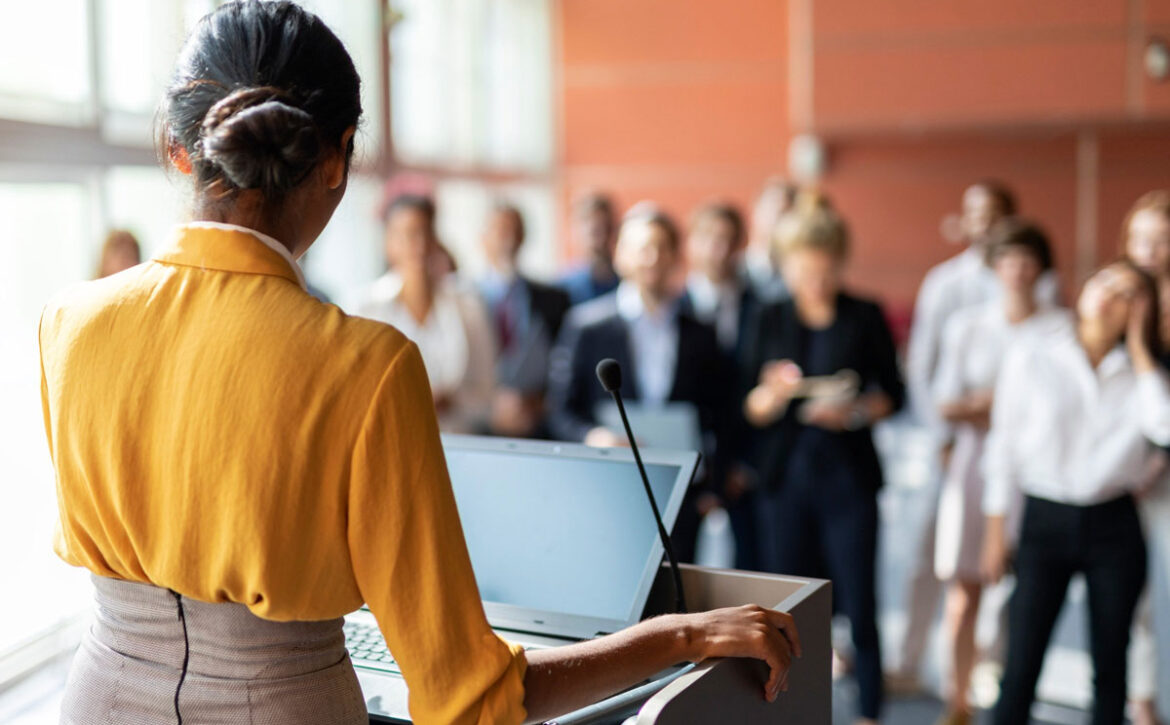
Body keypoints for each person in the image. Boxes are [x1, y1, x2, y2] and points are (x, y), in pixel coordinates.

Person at [39, 4, 801, 723]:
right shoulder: (365, 365)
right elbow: (470, 699)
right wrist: (681, 635)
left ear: (179, 151)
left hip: (95, 696)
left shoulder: (66, 322)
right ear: (336, 159)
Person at [981, 260, 1170, 725]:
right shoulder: (1034, 351)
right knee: (1022, 661)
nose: (1109, 295)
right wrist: (995, 529)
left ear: (1140, 312)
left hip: (1114, 523)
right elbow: (1002, 445)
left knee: (1111, 667)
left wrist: (1144, 351)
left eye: (1127, 294)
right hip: (1044, 518)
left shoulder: (1144, 373)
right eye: (1105, 281)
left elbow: (1164, 426)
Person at [743, 193, 904, 725]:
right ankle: (792, 709)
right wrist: (772, 393)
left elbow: (894, 395)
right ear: (786, 266)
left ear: (840, 264)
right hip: (786, 478)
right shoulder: (766, 314)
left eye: (825, 269)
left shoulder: (864, 314)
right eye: (803, 270)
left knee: (861, 598)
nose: (815, 280)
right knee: (788, 606)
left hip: (848, 477)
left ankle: (870, 713)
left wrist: (854, 411)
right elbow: (750, 406)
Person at [893, 179, 1058, 691]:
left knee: (1013, 561)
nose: (984, 223)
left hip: (1030, 452)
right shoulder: (945, 284)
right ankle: (914, 660)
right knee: (935, 556)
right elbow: (924, 367)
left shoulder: (1047, 293)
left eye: (994, 214)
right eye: (975, 213)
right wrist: (943, 435)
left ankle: (992, 665)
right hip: (958, 445)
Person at [930, 220, 1067, 725]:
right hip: (974, 463)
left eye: (1027, 260)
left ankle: (1009, 694)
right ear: (994, 267)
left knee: (1025, 588)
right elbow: (945, 402)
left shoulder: (1059, 327)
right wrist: (993, 407)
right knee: (964, 587)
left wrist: (1007, 411)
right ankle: (956, 697)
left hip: (1036, 468)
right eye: (1007, 260)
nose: (1017, 270)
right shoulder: (967, 325)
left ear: (1042, 269)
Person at [547, 203, 732, 563]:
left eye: (662, 248)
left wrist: (714, 484)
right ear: (620, 255)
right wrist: (593, 436)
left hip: (681, 489)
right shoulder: (586, 326)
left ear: (676, 257)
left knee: (680, 597)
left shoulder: (701, 332)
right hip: (612, 486)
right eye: (641, 247)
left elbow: (721, 412)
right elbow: (560, 409)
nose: (651, 258)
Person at [356, 193, 496, 434]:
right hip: (389, 441)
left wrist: (453, 401)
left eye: (425, 233)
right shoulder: (365, 308)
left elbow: (487, 393)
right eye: (408, 235)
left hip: (455, 444)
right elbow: (357, 393)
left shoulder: (468, 307)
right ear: (389, 243)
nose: (419, 246)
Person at [679, 201, 762, 570]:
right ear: (692, 243)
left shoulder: (764, 308)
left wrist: (741, 463)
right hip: (690, 467)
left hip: (748, 465)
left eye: (729, 240)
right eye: (710, 239)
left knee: (753, 571)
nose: (720, 250)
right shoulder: (672, 308)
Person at [1121, 190, 1170, 725]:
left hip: (1161, 469)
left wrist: (1156, 461)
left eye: (1160, 240)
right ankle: (1143, 700)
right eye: (1140, 239)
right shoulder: (1122, 298)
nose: (1149, 250)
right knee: (1134, 595)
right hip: (1127, 470)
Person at [479, 201, 571, 438]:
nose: (508, 240)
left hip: (537, 425)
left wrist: (538, 403)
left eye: (515, 231)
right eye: (500, 231)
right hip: (481, 428)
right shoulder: (464, 298)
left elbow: (564, 363)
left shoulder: (553, 299)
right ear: (483, 238)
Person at [558, 191, 620, 305]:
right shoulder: (563, 286)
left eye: (606, 228)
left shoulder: (625, 281)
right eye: (594, 231)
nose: (601, 238)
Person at [743, 176, 795, 301]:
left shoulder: (799, 277)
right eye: (771, 209)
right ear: (755, 210)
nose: (775, 219)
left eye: (784, 213)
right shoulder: (732, 270)